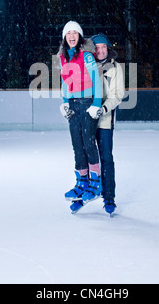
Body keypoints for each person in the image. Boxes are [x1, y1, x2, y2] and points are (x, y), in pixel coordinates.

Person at [71, 33, 125, 216]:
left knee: (106, 157)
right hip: (86, 118)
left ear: (108, 49)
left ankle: (108, 196)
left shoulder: (116, 68)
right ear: (92, 51)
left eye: (104, 47)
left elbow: (117, 95)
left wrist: (102, 108)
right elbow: (74, 88)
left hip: (104, 120)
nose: (101, 50)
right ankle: (81, 194)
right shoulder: (85, 65)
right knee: (84, 154)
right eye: (97, 47)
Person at [59, 21, 103, 206]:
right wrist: (64, 102)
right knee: (77, 144)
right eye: (68, 33)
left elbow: (96, 80)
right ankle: (82, 181)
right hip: (73, 105)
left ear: (79, 36)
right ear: (64, 37)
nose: (71, 36)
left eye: (75, 33)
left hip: (87, 103)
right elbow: (64, 82)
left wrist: (96, 103)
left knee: (88, 142)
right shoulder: (63, 57)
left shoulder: (86, 56)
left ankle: (96, 183)